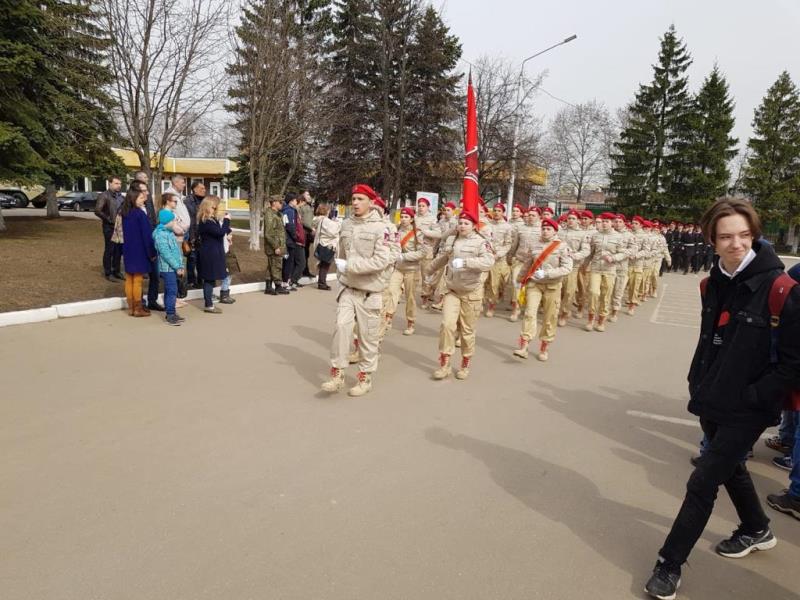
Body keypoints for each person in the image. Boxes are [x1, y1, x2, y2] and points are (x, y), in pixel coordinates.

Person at [644, 198, 800, 600]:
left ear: (755, 235)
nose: (737, 244)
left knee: (703, 481)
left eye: (745, 235)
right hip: (710, 395)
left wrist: (755, 395)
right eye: (727, 236)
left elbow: (793, 364)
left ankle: (669, 564)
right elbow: (710, 341)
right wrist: (697, 380)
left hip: (748, 407)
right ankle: (756, 528)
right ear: (711, 240)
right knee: (730, 467)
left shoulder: (782, 289)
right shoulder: (711, 282)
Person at [320, 184, 393, 397]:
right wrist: (342, 273)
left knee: (367, 338)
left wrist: (350, 266)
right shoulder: (347, 224)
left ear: (371, 202)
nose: (355, 203)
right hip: (348, 289)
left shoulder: (382, 228)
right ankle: (337, 375)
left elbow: (381, 260)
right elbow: (342, 254)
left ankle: (365, 378)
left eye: (360, 199)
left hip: (369, 293)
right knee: (341, 329)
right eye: (353, 199)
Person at [428, 207, 494, 381]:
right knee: (447, 325)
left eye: (466, 223)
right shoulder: (452, 239)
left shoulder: (481, 242)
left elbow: (489, 261)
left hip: (471, 292)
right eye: (460, 223)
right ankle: (444, 365)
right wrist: (430, 270)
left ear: (474, 226)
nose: (462, 226)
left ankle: (465, 364)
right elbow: (444, 258)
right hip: (452, 290)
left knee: (467, 331)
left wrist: (465, 263)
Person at [512, 217, 572, 361]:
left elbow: (567, 268)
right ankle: (524, 346)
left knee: (549, 317)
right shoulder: (534, 245)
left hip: (553, 286)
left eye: (548, 229)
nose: (545, 231)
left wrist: (547, 273)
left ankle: (544, 346)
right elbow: (527, 264)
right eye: (543, 229)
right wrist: (519, 280)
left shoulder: (562, 246)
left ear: (555, 231)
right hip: (535, 284)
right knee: (529, 313)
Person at [383, 207, 426, 337]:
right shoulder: (396, 230)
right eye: (402, 216)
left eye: (406, 217)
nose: (403, 219)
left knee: (410, 297)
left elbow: (422, 252)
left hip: (412, 269)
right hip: (398, 268)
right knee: (391, 292)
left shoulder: (417, 233)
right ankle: (388, 318)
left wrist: (405, 256)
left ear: (412, 219)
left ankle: (410, 323)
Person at [584, 212, 626, 332]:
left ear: (612, 223)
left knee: (606, 295)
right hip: (596, 268)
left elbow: (623, 253)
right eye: (603, 221)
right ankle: (591, 319)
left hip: (609, 269)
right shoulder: (595, 235)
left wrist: (613, 258)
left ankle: (601, 320)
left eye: (607, 221)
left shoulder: (618, 237)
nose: (604, 223)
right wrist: (585, 265)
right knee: (593, 292)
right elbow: (591, 252)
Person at [120, 188, 156, 317]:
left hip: (128, 249)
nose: (143, 200)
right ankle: (138, 308)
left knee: (129, 279)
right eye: (141, 198)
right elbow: (147, 236)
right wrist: (152, 252)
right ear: (133, 199)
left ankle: (131, 307)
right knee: (138, 280)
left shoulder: (124, 213)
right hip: (139, 250)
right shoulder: (140, 214)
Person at [195, 196, 232, 313]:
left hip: (214, 252)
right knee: (209, 279)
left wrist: (228, 231)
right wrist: (227, 220)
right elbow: (220, 232)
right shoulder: (205, 221)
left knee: (211, 279)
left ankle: (209, 302)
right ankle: (209, 305)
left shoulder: (212, 219)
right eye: (214, 207)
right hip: (209, 253)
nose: (216, 209)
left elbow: (221, 231)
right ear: (208, 207)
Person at [152, 209, 186, 325]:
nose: (175, 223)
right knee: (172, 290)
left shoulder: (169, 233)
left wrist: (180, 265)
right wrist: (177, 266)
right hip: (167, 268)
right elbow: (166, 254)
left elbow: (176, 251)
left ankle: (171, 312)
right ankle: (170, 314)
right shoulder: (161, 235)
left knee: (170, 290)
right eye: (173, 221)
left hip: (173, 267)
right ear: (168, 221)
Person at [558, 210, 591, 326]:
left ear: (578, 221)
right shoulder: (560, 232)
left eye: (573, 219)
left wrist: (574, 256)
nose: (570, 220)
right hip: (558, 265)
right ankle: (560, 308)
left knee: (569, 291)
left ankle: (564, 313)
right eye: (569, 218)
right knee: (559, 290)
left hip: (573, 266)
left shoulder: (583, 234)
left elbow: (586, 251)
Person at [484, 203, 513, 318]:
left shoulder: (507, 227)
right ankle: (480, 302)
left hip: (498, 259)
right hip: (486, 256)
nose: (496, 212)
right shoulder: (487, 225)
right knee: (483, 281)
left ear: (503, 213)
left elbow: (508, 244)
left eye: (499, 211)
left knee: (494, 284)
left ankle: (491, 306)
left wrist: (499, 254)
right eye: (495, 210)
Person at [95, 176, 125, 282]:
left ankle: (116, 271)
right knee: (110, 249)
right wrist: (109, 219)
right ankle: (108, 272)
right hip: (109, 227)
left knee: (119, 250)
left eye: (120, 183)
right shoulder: (104, 195)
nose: (119, 185)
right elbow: (97, 210)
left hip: (120, 227)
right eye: (116, 183)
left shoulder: (121, 197)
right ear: (110, 183)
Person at [310, 203, 341, 290]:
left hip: (322, 243)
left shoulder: (317, 220)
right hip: (327, 245)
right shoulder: (325, 221)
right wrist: (338, 222)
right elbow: (333, 232)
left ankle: (322, 282)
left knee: (323, 264)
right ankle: (322, 283)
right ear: (326, 211)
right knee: (325, 264)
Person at [263, 195, 289, 295]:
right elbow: (268, 233)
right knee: (277, 266)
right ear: (274, 203)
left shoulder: (277, 214)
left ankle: (268, 287)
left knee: (271, 266)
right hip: (274, 246)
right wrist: (276, 246)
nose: (282, 204)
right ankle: (278, 286)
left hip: (278, 245)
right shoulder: (270, 215)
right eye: (280, 202)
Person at [282, 192, 306, 290]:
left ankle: (286, 282)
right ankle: (285, 283)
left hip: (288, 240)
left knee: (289, 262)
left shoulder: (287, 210)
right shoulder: (290, 211)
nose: (297, 202)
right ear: (291, 201)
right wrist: (296, 236)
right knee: (289, 262)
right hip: (289, 240)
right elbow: (290, 225)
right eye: (296, 200)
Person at [184, 181, 206, 288]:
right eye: (202, 188)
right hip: (192, 234)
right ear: (195, 189)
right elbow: (190, 220)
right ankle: (191, 280)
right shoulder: (188, 201)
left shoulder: (205, 201)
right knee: (192, 259)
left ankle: (201, 280)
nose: (204, 190)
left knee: (202, 259)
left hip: (203, 234)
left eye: (204, 188)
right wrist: (192, 237)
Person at [298, 191, 315, 276]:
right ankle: (300, 272)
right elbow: (303, 221)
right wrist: (311, 228)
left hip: (308, 233)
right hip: (303, 233)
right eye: (307, 194)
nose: (309, 196)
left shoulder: (309, 207)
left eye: (309, 194)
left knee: (306, 253)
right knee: (302, 253)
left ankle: (305, 271)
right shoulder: (303, 207)